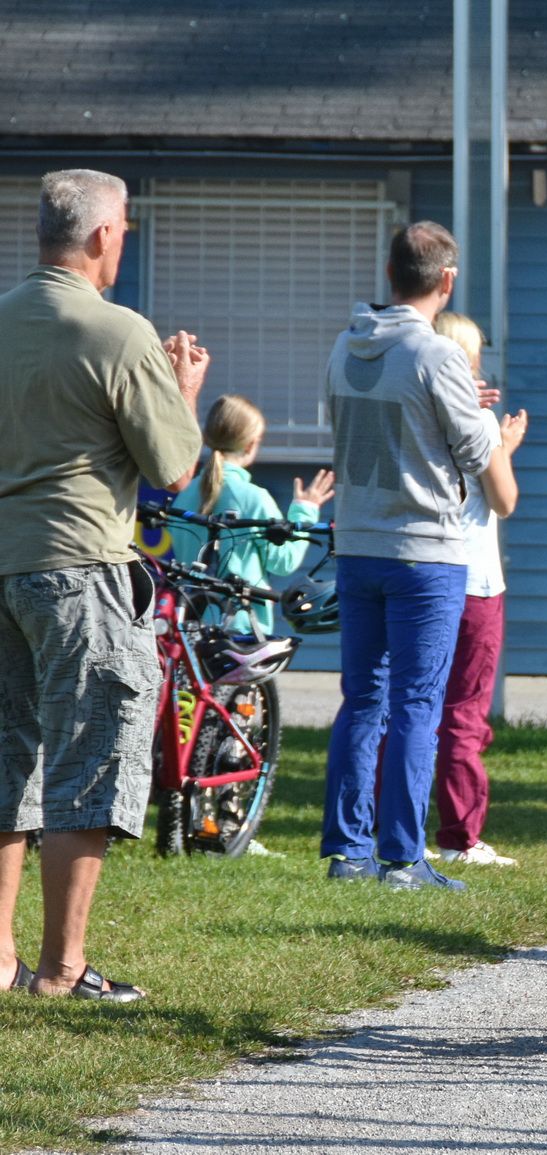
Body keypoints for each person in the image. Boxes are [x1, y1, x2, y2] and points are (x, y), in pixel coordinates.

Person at [0, 168, 206, 1001]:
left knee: (7, 759)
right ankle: (62, 969)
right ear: (100, 236)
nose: (127, 238)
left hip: (3, 563)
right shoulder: (120, 332)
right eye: (124, 226)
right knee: (88, 761)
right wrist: (183, 392)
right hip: (80, 565)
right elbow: (175, 465)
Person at [320, 221, 528, 891]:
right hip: (425, 553)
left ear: (389, 271)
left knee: (362, 701)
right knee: (416, 704)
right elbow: (495, 484)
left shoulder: (344, 345)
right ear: (447, 281)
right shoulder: (437, 355)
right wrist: (495, 438)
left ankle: (348, 850)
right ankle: (403, 858)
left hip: (356, 543)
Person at [427, 311, 523, 868]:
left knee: (412, 707)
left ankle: (394, 827)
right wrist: (504, 444)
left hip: (422, 572)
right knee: (464, 712)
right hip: (476, 582)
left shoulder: (412, 417)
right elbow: (504, 500)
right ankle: (461, 835)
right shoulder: (479, 423)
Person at [167, 395, 334, 634]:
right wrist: (305, 509)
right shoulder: (254, 498)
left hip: (187, 623)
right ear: (251, 445)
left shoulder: (185, 495)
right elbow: (283, 562)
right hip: (241, 626)